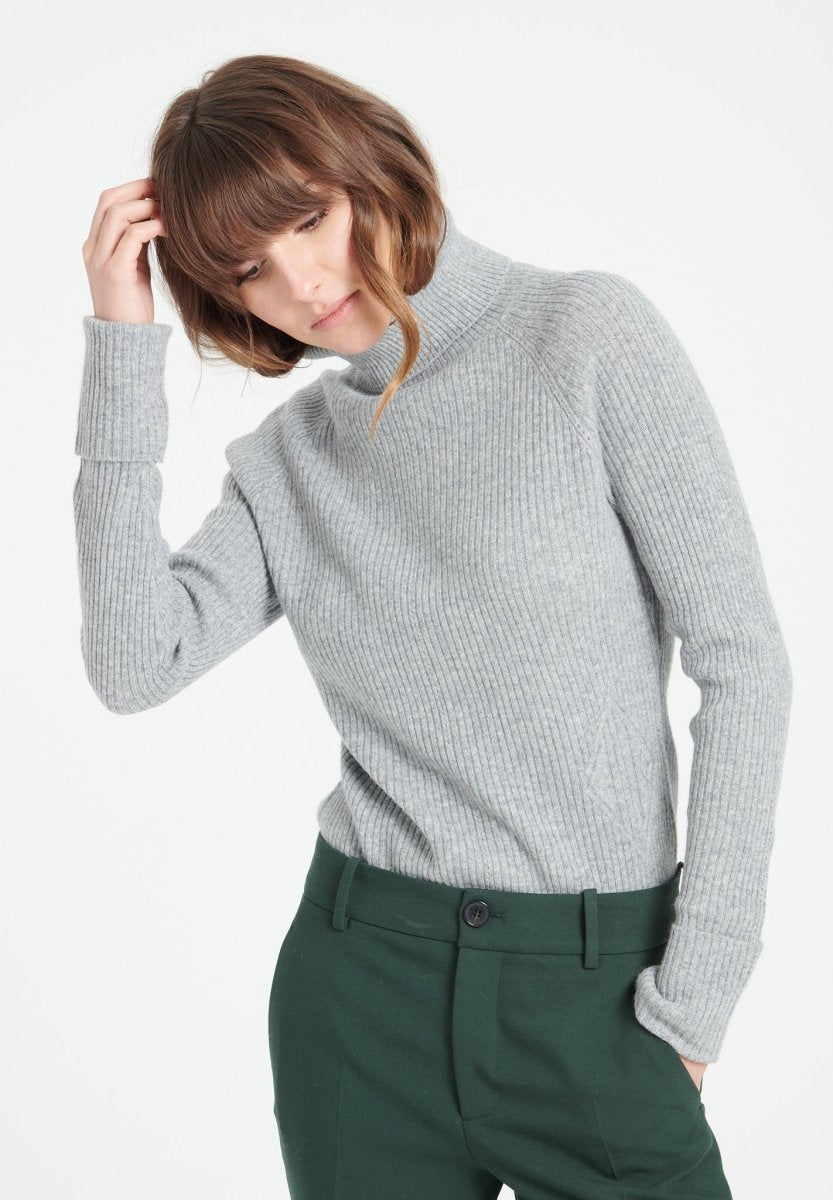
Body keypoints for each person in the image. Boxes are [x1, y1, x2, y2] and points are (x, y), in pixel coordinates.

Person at [75, 54, 793, 1200]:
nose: (301, 281)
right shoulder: (291, 463)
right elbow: (132, 661)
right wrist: (121, 348)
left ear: (371, 165)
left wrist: (694, 999)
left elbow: (742, 663)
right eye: (248, 270)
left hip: (601, 991)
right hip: (361, 996)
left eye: (308, 219)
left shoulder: (585, 337)